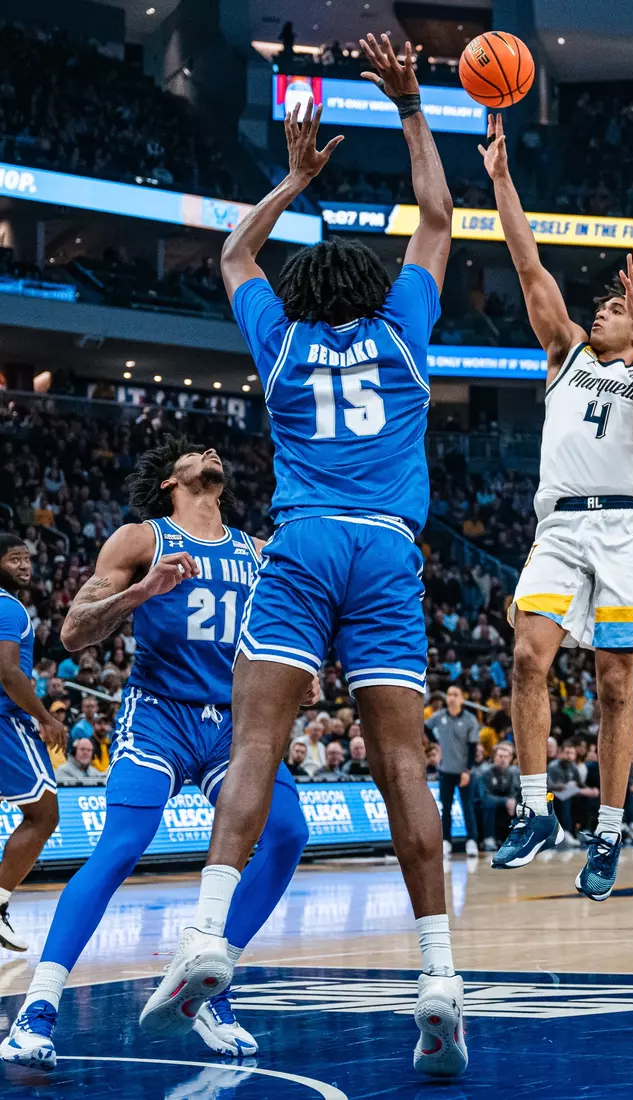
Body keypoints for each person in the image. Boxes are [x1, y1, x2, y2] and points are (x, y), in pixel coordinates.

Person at [145, 38, 465, 1079]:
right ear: (373, 289)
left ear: (307, 288)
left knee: (255, 747)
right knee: (403, 765)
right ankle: (438, 976)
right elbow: (437, 219)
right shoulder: (407, 327)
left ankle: (204, 934)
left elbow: (235, 254)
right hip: (385, 552)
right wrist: (412, 108)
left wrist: (291, 176)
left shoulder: (279, 340)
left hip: (303, 541)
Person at [2, 440, 314, 1068]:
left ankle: (207, 982)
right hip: (159, 715)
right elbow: (73, 630)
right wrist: (142, 591)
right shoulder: (140, 538)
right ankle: (36, 1010)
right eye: (195, 452)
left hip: (234, 722)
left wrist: (302, 670)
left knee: (288, 834)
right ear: (173, 481)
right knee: (121, 848)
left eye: (213, 450)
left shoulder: (257, 552)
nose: (211, 451)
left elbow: (284, 633)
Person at [478, 113, 633, 902]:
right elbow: (529, 266)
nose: (599, 309)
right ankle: (535, 813)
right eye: (601, 304)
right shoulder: (564, 355)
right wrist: (502, 181)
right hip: (560, 524)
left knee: (613, 682)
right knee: (529, 656)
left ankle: (607, 832)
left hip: (627, 528)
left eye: (613, 308)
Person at [0, 535, 66, 952]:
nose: (25, 566)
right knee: (43, 813)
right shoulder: (8, 606)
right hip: (7, 721)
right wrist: (44, 717)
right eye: (13, 559)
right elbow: (8, 672)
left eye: (27, 558)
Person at [425, 686, 480, 857]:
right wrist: (435, 742)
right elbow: (425, 727)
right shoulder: (439, 717)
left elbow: (473, 748)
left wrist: (467, 770)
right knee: (446, 808)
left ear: (462, 699)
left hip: (463, 771)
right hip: (445, 770)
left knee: (467, 807)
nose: (452, 698)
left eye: (456, 694)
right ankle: (446, 841)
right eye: (449, 694)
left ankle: (471, 841)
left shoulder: (470, 720)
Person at [476, 743, 519, 851]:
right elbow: (484, 797)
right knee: (489, 804)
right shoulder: (485, 773)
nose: (503, 760)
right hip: (483, 807)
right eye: (500, 756)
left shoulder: (511, 774)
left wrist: (512, 801)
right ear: (494, 757)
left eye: (506, 757)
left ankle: (515, 838)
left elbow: (512, 794)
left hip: (503, 808)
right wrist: (506, 801)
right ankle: (488, 838)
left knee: (519, 804)